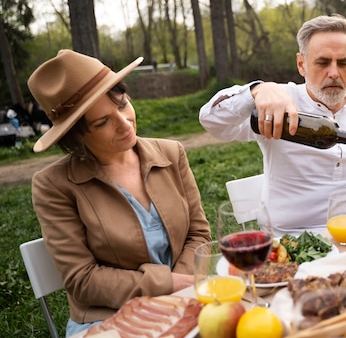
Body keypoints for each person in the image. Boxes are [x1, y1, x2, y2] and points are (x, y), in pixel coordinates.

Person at [27, 50, 212, 337]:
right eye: (102, 122)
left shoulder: (171, 153)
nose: (125, 123)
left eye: (123, 105)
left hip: (186, 296)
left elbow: (198, 235)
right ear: (76, 136)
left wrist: (181, 287)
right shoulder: (54, 186)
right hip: (106, 319)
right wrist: (167, 285)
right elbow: (82, 279)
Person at [199, 14, 346, 234]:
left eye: (343, 63)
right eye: (322, 62)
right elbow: (212, 121)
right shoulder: (277, 102)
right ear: (301, 64)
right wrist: (257, 90)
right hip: (288, 238)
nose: (333, 73)